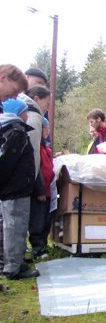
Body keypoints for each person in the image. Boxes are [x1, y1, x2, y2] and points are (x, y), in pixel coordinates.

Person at [0, 98, 38, 279]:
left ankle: (13, 261)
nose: (27, 115)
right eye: (25, 112)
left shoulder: (11, 131)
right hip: (15, 189)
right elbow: (7, 162)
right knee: (15, 226)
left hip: (13, 188)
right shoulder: (15, 132)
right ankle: (14, 267)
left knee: (12, 226)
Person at [25, 86, 54, 259]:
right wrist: (40, 189)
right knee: (37, 220)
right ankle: (37, 247)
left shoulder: (46, 148)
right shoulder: (38, 145)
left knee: (45, 220)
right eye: (47, 103)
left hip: (47, 190)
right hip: (39, 190)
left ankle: (41, 245)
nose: (47, 132)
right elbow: (36, 165)